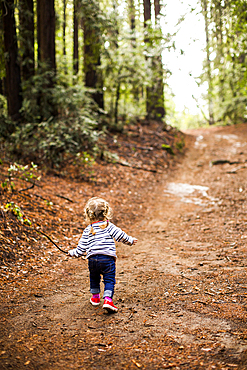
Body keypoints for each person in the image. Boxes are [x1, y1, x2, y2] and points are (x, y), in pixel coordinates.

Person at [68, 197, 138, 313]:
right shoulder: (108, 226)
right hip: (107, 259)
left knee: (94, 277)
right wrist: (130, 240)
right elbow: (121, 236)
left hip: (92, 260)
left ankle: (95, 298)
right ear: (106, 212)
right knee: (109, 280)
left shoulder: (87, 230)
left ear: (89, 215)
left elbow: (81, 249)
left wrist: (72, 253)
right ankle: (108, 300)